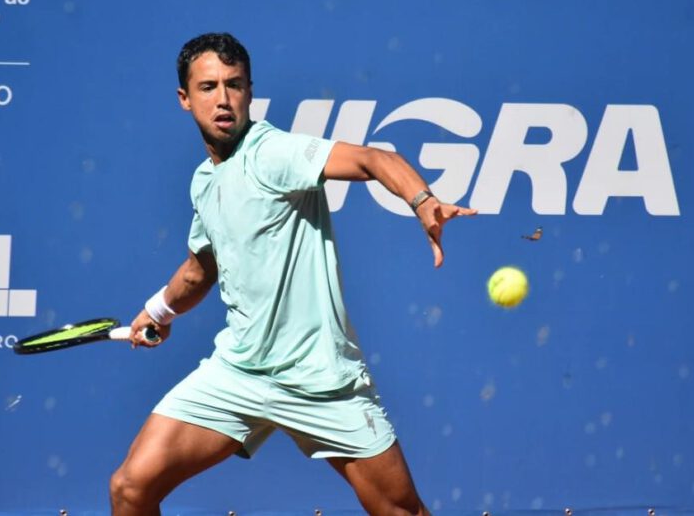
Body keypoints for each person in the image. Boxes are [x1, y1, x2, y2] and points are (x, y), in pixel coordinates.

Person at [109, 32, 476, 516]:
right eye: (208, 86)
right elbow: (201, 271)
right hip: (238, 373)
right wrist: (157, 311)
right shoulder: (205, 181)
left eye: (234, 85)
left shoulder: (273, 153)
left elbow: (373, 159)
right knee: (131, 488)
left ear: (250, 92)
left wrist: (422, 200)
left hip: (320, 378)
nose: (223, 99)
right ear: (184, 98)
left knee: (401, 512)